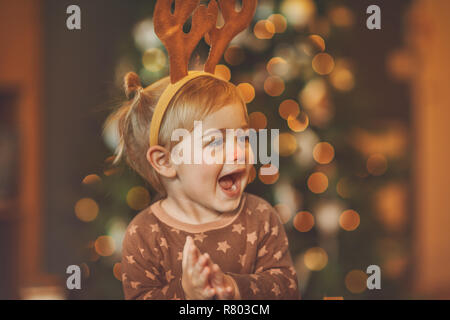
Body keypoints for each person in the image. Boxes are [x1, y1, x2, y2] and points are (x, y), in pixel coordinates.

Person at [104, 0, 299, 300]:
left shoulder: (261, 218)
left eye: (243, 137)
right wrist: (187, 293)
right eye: (216, 142)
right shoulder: (145, 235)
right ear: (166, 161)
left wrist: (234, 288)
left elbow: (286, 288)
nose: (239, 152)